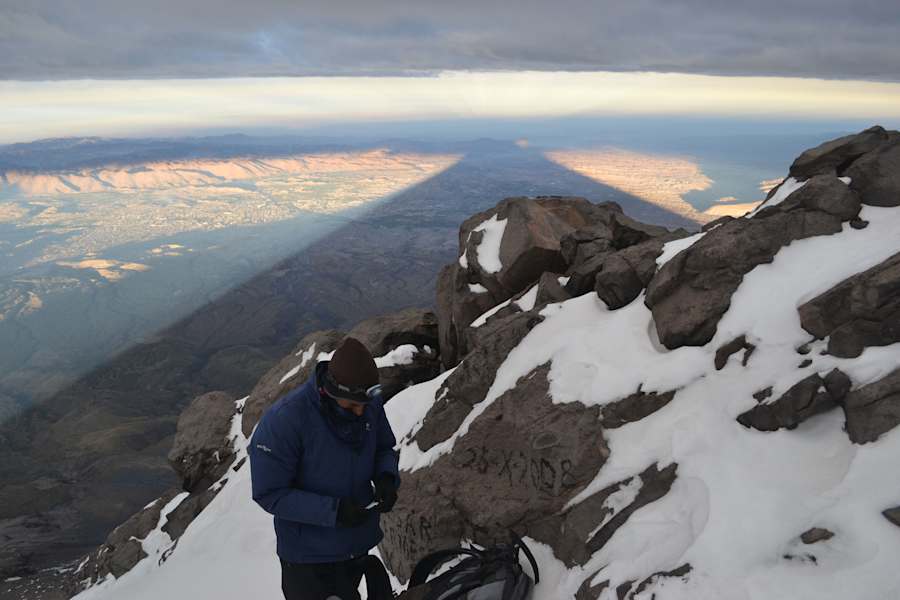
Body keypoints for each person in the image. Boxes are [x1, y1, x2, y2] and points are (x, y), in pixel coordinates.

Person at [249, 337, 400, 600]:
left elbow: (384, 448)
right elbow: (270, 493)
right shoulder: (285, 421)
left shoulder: (367, 404)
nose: (359, 411)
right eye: (352, 405)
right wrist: (334, 511)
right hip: (308, 560)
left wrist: (386, 477)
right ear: (330, 391)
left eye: (364, 405)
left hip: (355, 544)